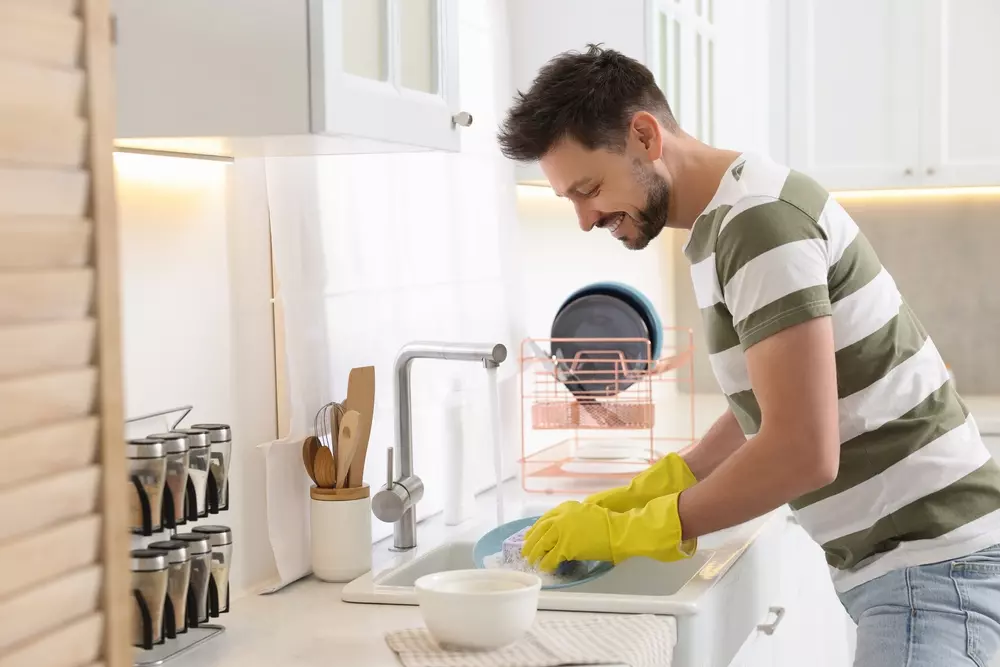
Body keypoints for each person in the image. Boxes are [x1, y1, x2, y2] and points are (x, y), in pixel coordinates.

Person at [497, 44, 1000, 667]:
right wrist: (658, 485)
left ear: (645, 135)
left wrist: (636, 529)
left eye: (590, 188)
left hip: (935, 572)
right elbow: (772, 398)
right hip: (918, 567)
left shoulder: (758, 223)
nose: (583, 218)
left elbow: (802, 452)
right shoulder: (733, 217)